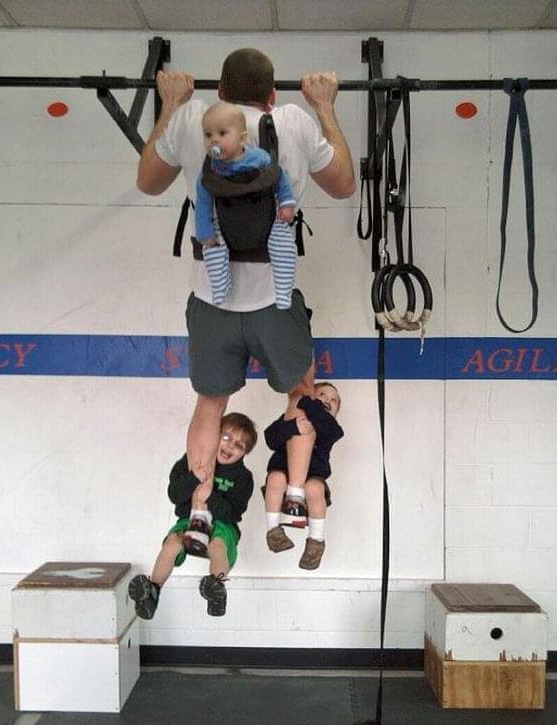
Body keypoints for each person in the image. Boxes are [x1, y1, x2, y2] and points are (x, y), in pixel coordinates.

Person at [137, 49, 355, 516]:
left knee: (210, 405)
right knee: (301, 391)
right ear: (273, 96)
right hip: (275, 300)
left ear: (220, 92)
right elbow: (344, 183)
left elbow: (148, 181)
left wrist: (172, 104)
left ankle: (199, 512)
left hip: (210, 298)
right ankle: (296, 494)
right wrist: (326, 107)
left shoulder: (196, 120)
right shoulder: (294, 122)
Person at [128, 412, 257, 618]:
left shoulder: (243, 478)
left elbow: (234, 513)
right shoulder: (191, 461)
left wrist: (211, 498)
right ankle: (152, 591)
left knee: (218, 546)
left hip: (221, 525)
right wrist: (193, 477)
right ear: (214, 436)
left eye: (239, 445)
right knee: (172, 543)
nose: (231, 446)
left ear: (244, 453)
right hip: (189, 521)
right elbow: (174, 494)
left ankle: (217, 590)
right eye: (226, 437)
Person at [196, 101, 297, 309]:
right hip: (226, 224)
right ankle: (220, 288)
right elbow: (203, 200)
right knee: (212, 248)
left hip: (265, 223)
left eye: (222, 133)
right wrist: (204, 230)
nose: (213, 140)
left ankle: (284, 291)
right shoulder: (211, 170)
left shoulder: (259, 158)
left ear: (241, 137)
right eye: (208, 135)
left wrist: (286, 204)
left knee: (285, 243)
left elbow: (279, 177)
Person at [263, 382, 343, 570]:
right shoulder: (291, 417)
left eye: (334, 400)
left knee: (314, 488)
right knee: (275, 479)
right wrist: (292, 427)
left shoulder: (330, 428)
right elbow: (270, 438)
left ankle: (316, 542)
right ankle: (274, 532)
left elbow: (328, 428)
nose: (327, 400)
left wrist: (303, 401)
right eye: (322, 394)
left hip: (314, 476)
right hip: (284, 474)